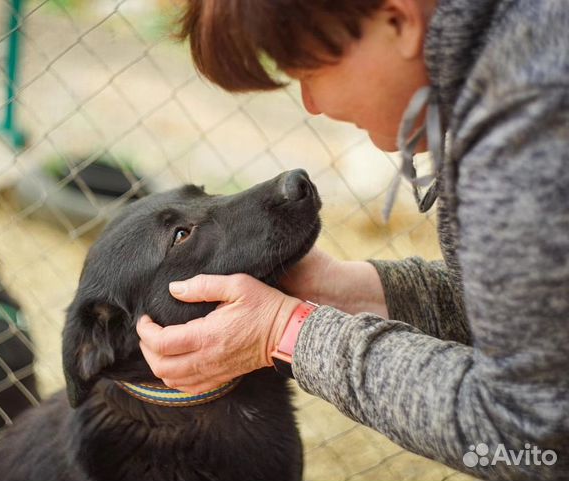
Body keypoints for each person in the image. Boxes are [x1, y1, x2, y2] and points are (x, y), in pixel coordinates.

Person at [136, 1, 569, 479]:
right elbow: (543, 327)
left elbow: (532, 440)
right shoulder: (521, 50)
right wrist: (349, 290)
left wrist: (288, 332)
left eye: (308, 69)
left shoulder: (526, 137)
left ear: (397, 21)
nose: (312, 104)